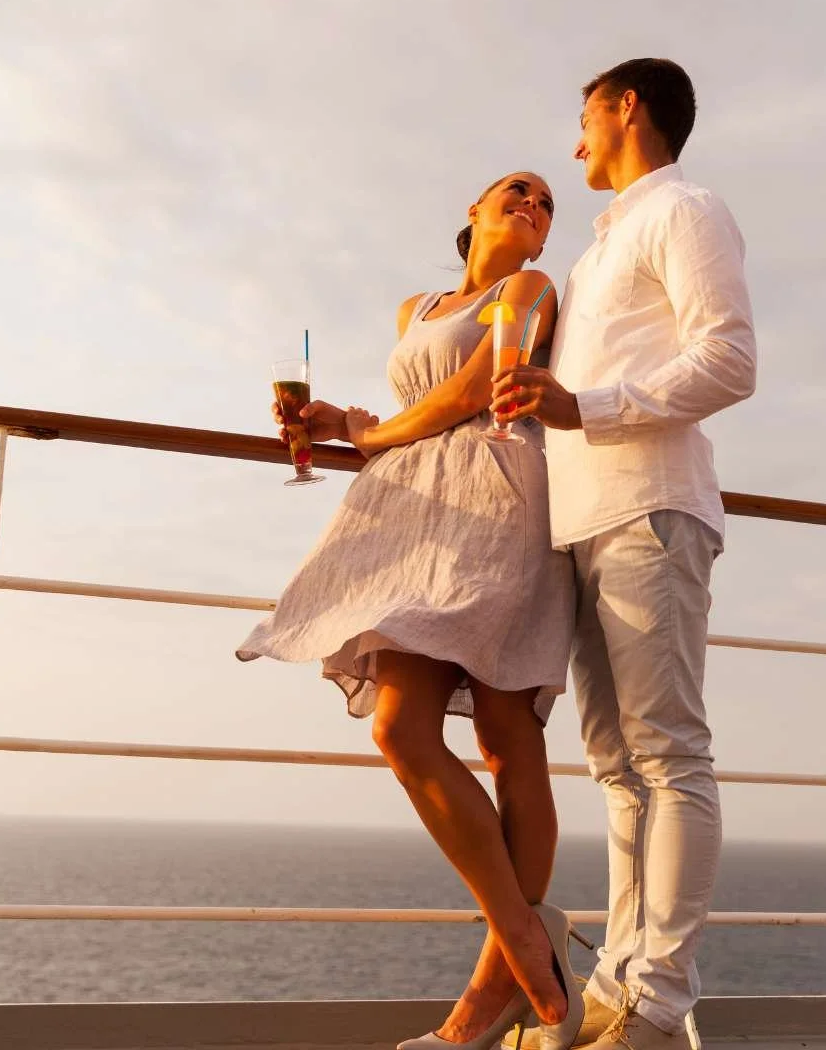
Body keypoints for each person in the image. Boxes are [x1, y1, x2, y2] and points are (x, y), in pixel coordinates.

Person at [236, 172, 584, 1050]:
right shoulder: (414, 307)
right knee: (402, 728)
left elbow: (472, 393)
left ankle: (486, 999)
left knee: (508, 735)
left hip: (501, 488)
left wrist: (364, 432)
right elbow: (412, 408)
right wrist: (338, 418)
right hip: (416, 510)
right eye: (518, 190)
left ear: (541, 242)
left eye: (546, 204)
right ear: (471, 212)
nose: (534, 205)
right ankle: (529, 943)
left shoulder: (532, 290)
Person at [492, 60, 757, 1050]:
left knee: (669, 754)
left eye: (582, 118)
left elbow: (732, 355)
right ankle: (618, 985)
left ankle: (660, 1003)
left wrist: (586, 405)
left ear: (623, 107)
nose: (573, 145)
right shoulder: (595, 255)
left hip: (651, 508)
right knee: (614, 764)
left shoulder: (685, 210)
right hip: (582, 523)